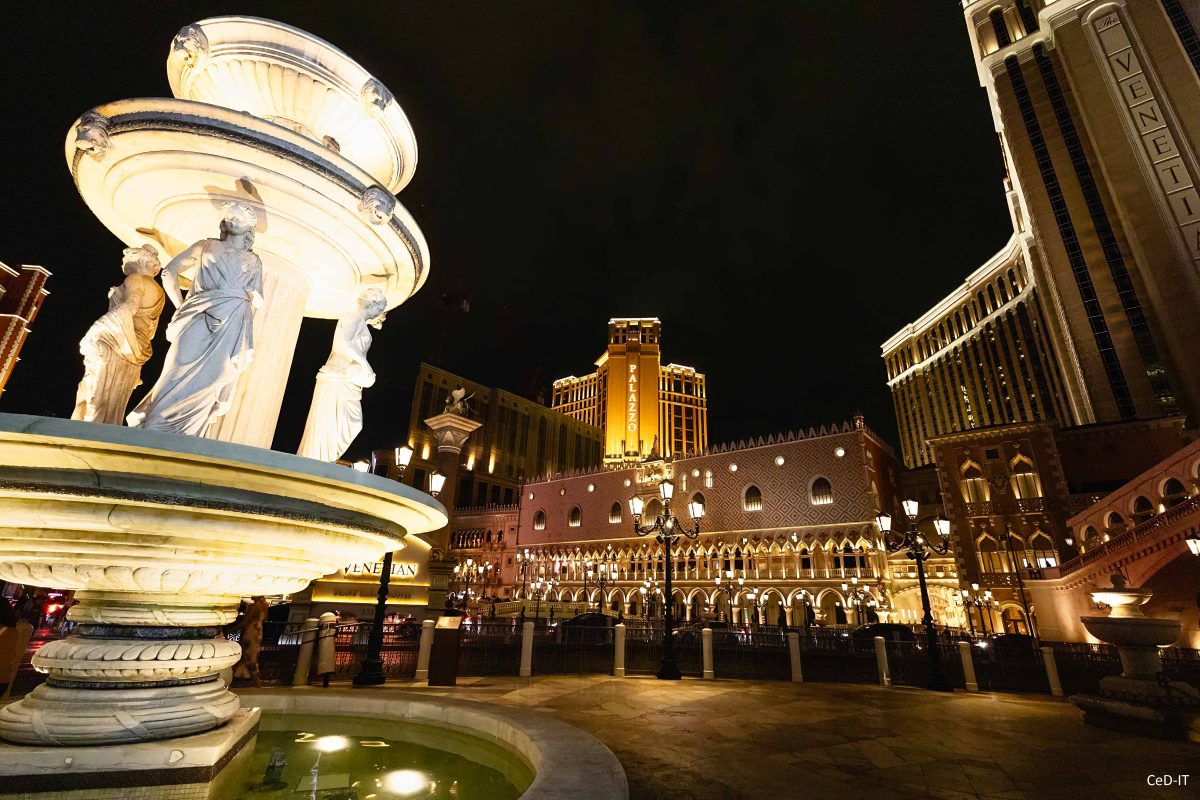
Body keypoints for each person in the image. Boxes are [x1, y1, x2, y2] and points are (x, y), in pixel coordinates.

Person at [128, 202, 263, 436]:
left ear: (249, 229)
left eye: (239, 218)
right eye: (230, 216)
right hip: (199, 314)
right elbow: (169, 272)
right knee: (177, 367)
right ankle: (154, 426)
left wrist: (244, 325)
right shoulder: (205, 245)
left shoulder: (254, 261)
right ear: (223, 222)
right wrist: (181, 307)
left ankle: (188, 435)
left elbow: (257, 300)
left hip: (232, 320)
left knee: (214, 377)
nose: (233, 220)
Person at [72, 245, 166, 424]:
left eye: (127, 257)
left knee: (90, 394)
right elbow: (150, 329)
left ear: (139, 259)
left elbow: (127, 308)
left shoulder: (136, 279)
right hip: (133, 346)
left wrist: (96, 329)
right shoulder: (158, 290)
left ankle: (79, 434)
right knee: (109, 399)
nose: (123, 261)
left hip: (117, 342)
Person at [297, 288, 387, 461]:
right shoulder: (352, 317)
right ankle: (318, 460)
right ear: (371, 303)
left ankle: (324, 460)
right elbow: (341, 343)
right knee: (333, 423)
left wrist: (363, 373)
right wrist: (365, 364)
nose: (379, 313)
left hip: (348, 379)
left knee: (351, 423)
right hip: (337, 375)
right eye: (379, 308)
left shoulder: (361, 322)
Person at [231, 596, 269, 688]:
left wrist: (233, 629)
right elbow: (265, 619)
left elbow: (244, 622)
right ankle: (256, 682)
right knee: (250, 656)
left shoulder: (254, 606)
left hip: (250, 631)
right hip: (258, 631)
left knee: (246, 656)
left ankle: (256, 682)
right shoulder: (264, 605)